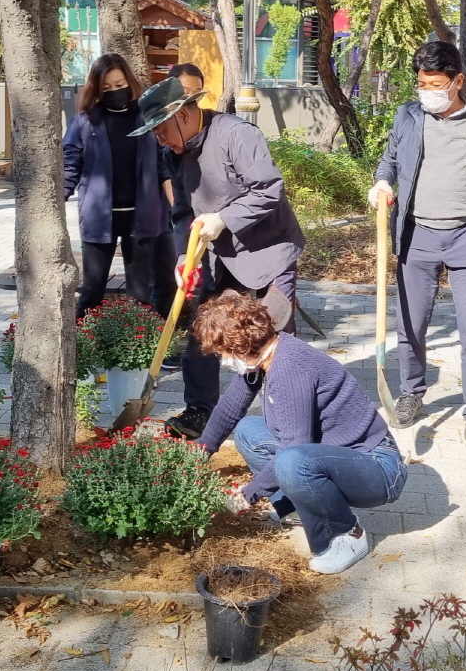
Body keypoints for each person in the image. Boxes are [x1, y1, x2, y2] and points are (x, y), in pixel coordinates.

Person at [369, 41, 466, 457]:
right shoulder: (408, 116)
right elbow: (389, 161)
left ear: (458, 81)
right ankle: (411, 392)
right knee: (411, 326)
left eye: (436, 85)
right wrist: (383, 182)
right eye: (421, 84)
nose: (426, 92)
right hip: (417, 236)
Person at [133, 76, 305, 439]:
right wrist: (185, 256)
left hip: (267, 252)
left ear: (183, 114)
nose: (159, 140)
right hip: (215, 256)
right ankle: (200, 411)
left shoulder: (236, 135)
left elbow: (269, 190)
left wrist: (224, 219)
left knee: (272, 332)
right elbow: (181, 212)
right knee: (203, 330)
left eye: (161, 130)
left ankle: (291, 418)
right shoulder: (172, 154)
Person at [193, 292, 407, 575]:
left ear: (239, 346)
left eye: (222, 352)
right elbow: (229, 410)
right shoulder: (264, 356)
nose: (222, 359)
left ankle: (346, 535)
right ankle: (296, 506)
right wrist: (197, 454)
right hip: (334, 452)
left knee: (293, 462)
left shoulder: (289, 368)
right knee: (247, 431)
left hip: (375, 468)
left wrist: (247, 495)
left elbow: (294, 447)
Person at [63, 54, 170, 317]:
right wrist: (60, 197)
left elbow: (163, 165)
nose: (115, 92)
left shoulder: (148, 119)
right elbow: (70, 164)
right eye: (106, 88)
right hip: (99, 219)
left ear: (129, 82)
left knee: (140, 294)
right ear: (96, 90)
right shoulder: (86, 122)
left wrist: (177, 206)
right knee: (91, 290)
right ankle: (83, 347)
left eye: (119, 84)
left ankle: (140, 351)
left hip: (143, 218)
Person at [155, 63, 209, 318]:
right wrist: (183, 256)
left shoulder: (229, 133)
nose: (190, 101)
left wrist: (220, 220)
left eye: (196, 94)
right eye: (185, 93)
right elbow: (181, 206)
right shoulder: (167, 141)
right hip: (192, 230)